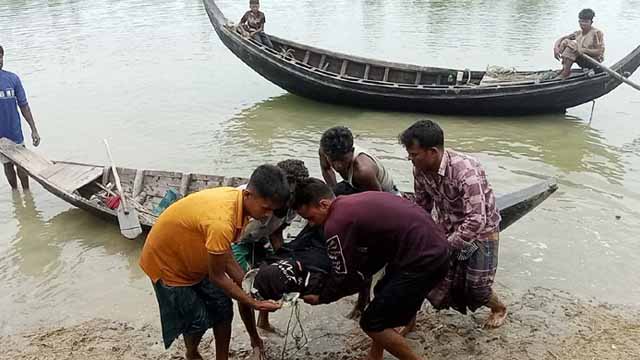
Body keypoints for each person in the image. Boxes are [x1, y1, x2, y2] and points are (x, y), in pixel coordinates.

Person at [139, 165, 288, 360]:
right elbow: (217, 275)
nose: (268, 215)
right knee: (195, 322)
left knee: (223, 310)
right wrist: (252, 302)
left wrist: (251, 287)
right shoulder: (221, 221)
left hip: (197, 256)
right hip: (168, 265)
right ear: (249, 194)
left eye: (273, 210)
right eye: (266, 208)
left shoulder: (237, 201)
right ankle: (192, 353)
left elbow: (226, 256)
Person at [292, 178, 450, 360]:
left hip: (423, 259)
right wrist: (361, 275)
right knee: (381, 292)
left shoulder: (336, 222)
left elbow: (341, 273)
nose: (311, 224)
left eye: (310, 218)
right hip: (434, 246)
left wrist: (322, 297)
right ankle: (376, 355)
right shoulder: (351, 202)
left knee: (371, 322)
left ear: (323, 204)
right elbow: (376, 252)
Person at [399, 119, 507, 328]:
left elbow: (477, 219)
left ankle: (499, 307)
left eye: (414, 154)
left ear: (432, 151)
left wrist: (445, 247)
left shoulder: (465, 171)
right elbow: (423, 206)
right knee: (430, 275)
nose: (410, 159)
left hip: (481, 232)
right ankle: (409, 319)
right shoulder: (419, 170)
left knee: (477, 287)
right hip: (449, 225)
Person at [232, 159, 309, 332]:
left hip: (260, 237)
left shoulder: (290, 206)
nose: (291, 199)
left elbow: (276, 231)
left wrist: (281, 259)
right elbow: (232, 241)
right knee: (246, 289)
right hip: (237, 240)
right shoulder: (253, 201)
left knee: (271, 276)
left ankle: (263, 322)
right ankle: (254, 339)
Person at [0, 45, 41, 191]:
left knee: (22, 166)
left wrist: (34, 130)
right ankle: (15, 191)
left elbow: (24, 106)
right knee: (7, 165)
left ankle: (27, 192)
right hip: (0, 137)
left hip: (15, 131)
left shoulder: (13, 79)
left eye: (0, 56)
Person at [319, 126, 397, 196]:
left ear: (352, 151)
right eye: (333, 160)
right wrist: (334, 196)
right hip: (353, 185)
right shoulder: (325, 151)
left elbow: (378, 200)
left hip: (386, 194)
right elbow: (326, 169)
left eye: (343, 160)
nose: (338, 166)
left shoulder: (363, 171)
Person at [553, 8, 605, 79]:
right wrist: (556, 47)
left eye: (586, 22)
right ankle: (564, 68)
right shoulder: (578, 33)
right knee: (565, 42)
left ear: (591, 22)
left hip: (593, 62)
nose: (583, 24)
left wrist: (582, 50)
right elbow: (562, 38)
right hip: (581, 60)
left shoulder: (596, 33)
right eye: (581, 21)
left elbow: (599, 52)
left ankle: (565, 73)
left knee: (572, 46)